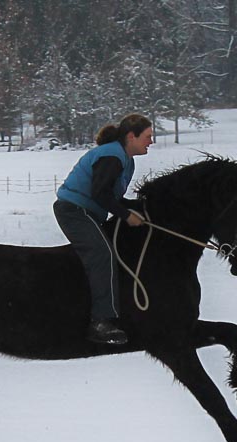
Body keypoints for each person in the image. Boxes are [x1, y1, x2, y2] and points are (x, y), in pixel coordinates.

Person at [53, 114, 153, 344]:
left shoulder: (124, 157)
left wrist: (138, 208)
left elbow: (110, 195)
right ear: (131, 136)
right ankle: (101, 322)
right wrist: (127, 215)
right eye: (147, 136)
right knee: (102, 254)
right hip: (74, 211)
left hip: (87, 211)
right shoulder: (112, 156)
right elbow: (100, 193)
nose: (151, 142)